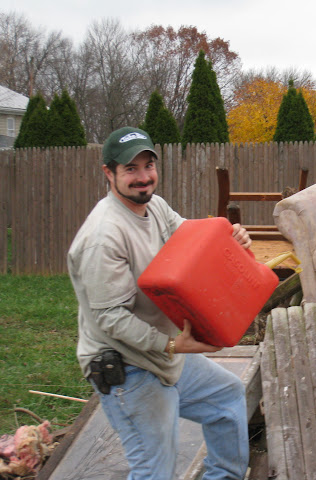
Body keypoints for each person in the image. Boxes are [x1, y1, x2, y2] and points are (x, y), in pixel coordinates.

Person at [68, 126, 250, 480]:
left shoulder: (155, 207)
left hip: (164, 353)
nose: (142, 177)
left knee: (226, 398)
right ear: (109, 173)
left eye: (148, 165)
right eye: (130, 169)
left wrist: (230, 236)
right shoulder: (103, 237)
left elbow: (191, 239)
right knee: (156, 469)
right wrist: (170, 344)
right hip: (128, 366)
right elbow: (111, 318)